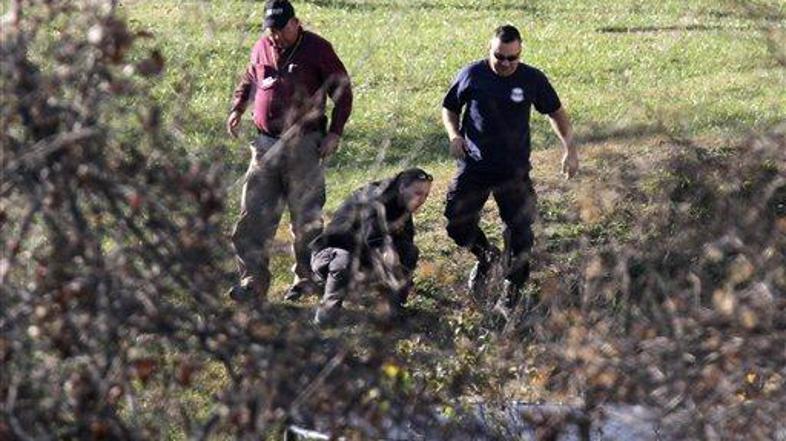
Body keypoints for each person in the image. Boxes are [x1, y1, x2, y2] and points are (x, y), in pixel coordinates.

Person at [441, 24, 578, 313]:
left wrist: (570, 149)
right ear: (489, 50)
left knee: (521, 234)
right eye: (499, 56)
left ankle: (511, 291)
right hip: (474, 165)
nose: (504, 63)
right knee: (457, 222)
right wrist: (455, 135)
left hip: (513, 170)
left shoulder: (532, 79)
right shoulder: (472, 75)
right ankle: (486, 257)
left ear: (520, 53)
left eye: (511, 58)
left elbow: (556, 112)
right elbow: (450, 107)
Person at [226, 0, 353, 302]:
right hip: (265, 145)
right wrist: (238, 108)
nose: (276, 36)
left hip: (304, 146)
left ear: (296, 23)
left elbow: (343, 92)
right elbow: (249, 78)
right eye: (270, 30)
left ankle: (307, 279)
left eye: (281, 29)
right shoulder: (261, 46)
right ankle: (252, 283)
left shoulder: (317, 49)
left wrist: (335, 132)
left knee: (305, 219)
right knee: (251, 218)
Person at [309, 168, 433, 326]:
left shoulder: (403, 204)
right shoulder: (374, 196)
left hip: (363, 258)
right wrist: (388, 252)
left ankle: (393, 308)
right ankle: (327, 313)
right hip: (330, 255)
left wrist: (401, 276)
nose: (422, 199)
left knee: (409, 251)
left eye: (426, 195)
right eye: (418, 193)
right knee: (344, 260)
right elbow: (373, 237)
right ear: (402, 187)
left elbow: (406, 241)